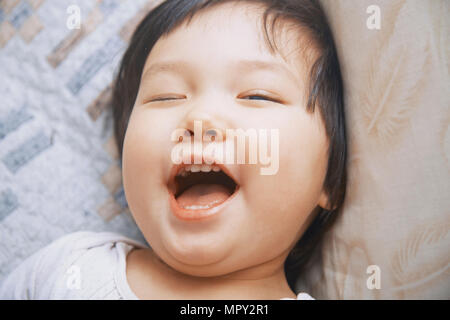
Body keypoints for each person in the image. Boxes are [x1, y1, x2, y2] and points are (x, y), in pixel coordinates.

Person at [0, 0, 347, 300]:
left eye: (257, 95)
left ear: (329, 180)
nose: (199, 118)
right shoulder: (68, 267)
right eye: (166, 96)